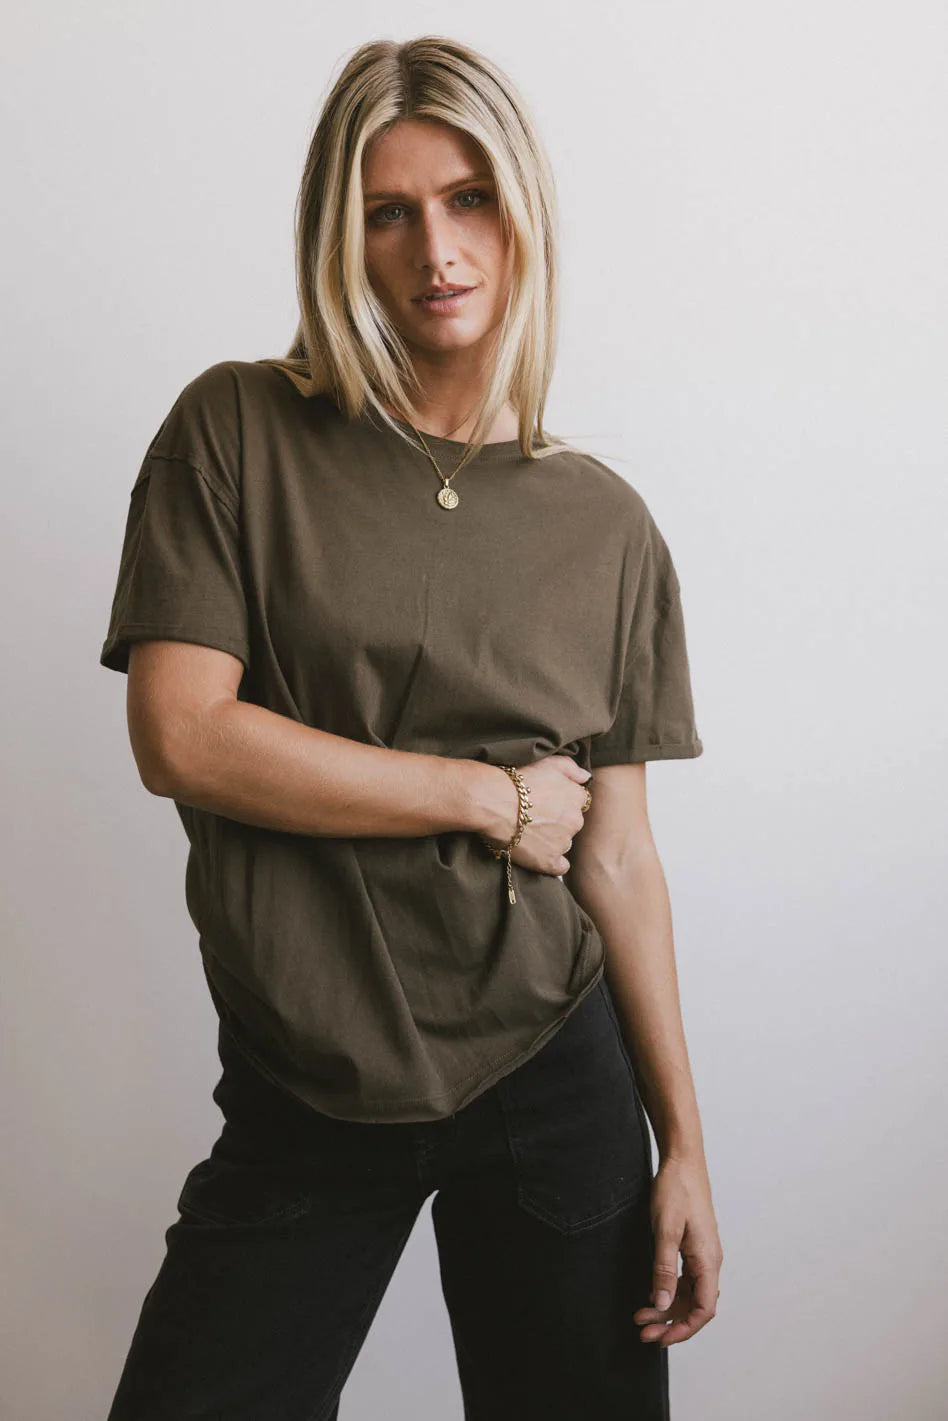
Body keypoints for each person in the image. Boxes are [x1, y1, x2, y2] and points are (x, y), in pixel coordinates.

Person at [98, 33, 722, 1421]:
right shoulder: (236, 431)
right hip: (306, 1073)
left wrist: (684, 1142)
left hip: (552, 1073)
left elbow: (620, 856)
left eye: (469, 199)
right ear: (341, 236)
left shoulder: (606, 525)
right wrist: (486, 797)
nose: (436, 249)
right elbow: (182, 736)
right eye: (389, 212)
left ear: (521, 212)